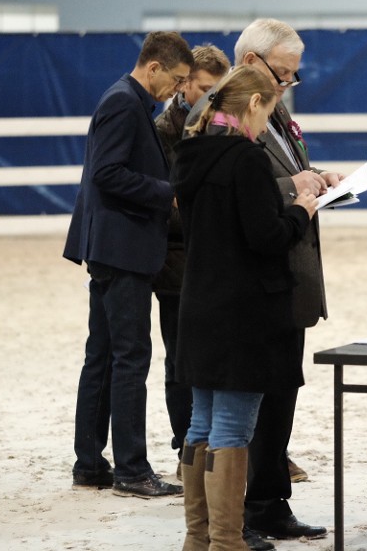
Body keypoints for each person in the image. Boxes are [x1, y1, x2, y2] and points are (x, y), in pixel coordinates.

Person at [185, 18, 339, 547]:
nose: (286, 87)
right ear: (252, 66)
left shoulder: (215, 138)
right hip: (251, 291)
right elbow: (252, 210)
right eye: (283, 76)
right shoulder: (230, 140)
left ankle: (253, 510)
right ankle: (234, 527)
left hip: (253, 290)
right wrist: (296, 200)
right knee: (235, 419)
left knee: (263, 403)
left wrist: (315, 180)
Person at [64, 31, 194, 498]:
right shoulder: (124, 102)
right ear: (153, 67)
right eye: (176, 79)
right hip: (123, 248)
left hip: (111, 246)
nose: (176, 90)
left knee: (102, 355)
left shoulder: (129, 101)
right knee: (129, 357)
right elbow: (107, 173)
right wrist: (169, 194)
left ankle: (90, 462)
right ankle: (132, 470)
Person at [153, 44, 231, 479]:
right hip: (178, 265)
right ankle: (187, 449)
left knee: (224, 358)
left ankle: (232, 447)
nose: (210, 98)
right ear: (184, 85)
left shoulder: (223, 123)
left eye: (217, 91)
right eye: (204, 88)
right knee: (181, 362)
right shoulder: (164, 130)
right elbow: (171, 202)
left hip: (219, 260)